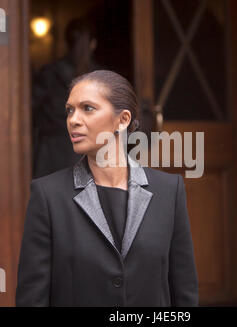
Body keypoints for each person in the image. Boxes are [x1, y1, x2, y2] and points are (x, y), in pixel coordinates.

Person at [16, 70, 199, 307]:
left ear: (122, 120)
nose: (73, 119)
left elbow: (184, 291)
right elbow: (32, 299)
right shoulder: (47, 196)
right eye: (70, 110)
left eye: (87, 108)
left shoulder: (169, 191)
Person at [32, 18, 100, 178]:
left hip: (51, 157)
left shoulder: (48, 74)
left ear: (66, 43)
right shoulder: (103, 78)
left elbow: (31, 112)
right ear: (93, 44)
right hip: (90, 157)